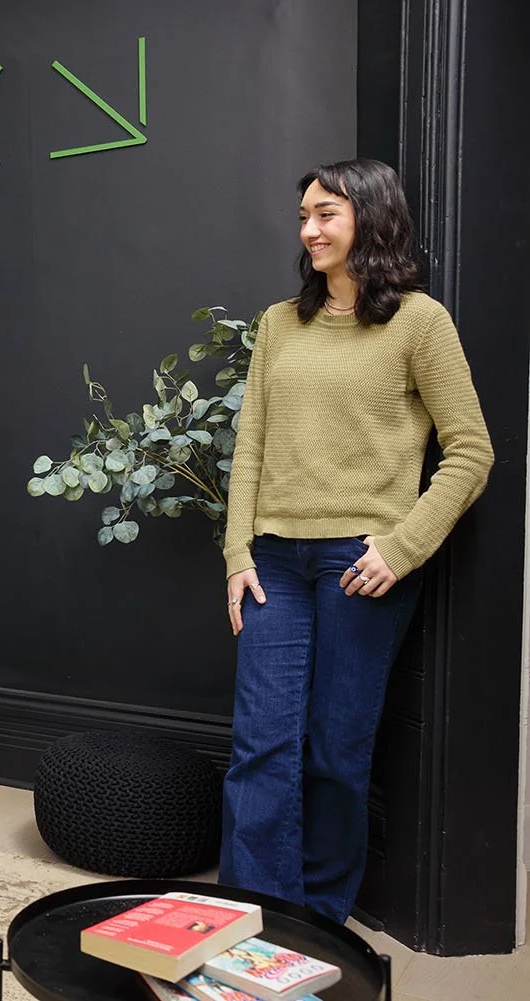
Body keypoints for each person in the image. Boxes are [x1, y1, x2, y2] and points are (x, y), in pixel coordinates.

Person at [220, 158, 493, 923]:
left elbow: (471, 451)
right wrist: (238, 553)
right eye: (303, 215)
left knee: (336, 754)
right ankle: (251, 922)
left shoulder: (419, 322)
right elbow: (251, 445)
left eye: (325, 214)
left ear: (370, 217)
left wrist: (402, 548)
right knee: (260, 747)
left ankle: (314, 926)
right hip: (274, 558)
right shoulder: (280, 322)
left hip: (359, 564)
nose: (308, 229)